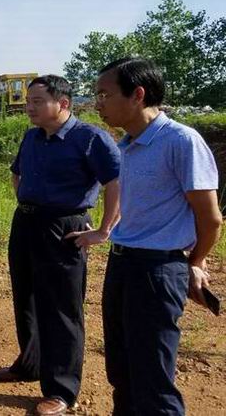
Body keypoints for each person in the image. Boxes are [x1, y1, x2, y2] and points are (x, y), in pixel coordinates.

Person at [95, 57, 222, 415]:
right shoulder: (126, 145)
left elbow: (211, 218)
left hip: (157, 270)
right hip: (122, 262)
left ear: (137, 94)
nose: (98, 104)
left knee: (152, 378)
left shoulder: (181, 141)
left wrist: (194, 261)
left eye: (105, 95)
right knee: (121, 370)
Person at [0, 75, 121, 416]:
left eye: (37, 101)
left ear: (63, 103)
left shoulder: (90, 138)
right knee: (26, 298)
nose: (28, 107)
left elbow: (117, 182)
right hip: (27, 222)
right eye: (28, 101)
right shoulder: (32, 137)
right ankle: (29, 364)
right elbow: (17, 173)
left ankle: (61, 389)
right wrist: (27, 201)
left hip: (64, 227)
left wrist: (104, 230)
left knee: (62, 309)